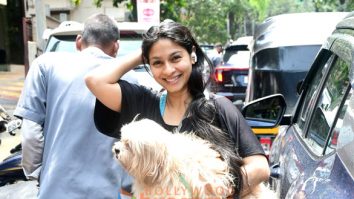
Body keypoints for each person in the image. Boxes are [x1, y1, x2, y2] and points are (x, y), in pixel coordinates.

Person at [85, 21, 270, 198]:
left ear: (192, 55)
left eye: (175, 58)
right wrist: (147, 48)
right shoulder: (144, 104)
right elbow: (95, 81)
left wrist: (213, 192)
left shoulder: (218, 108)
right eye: (157, 63)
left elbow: (260, 167)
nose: (168, 70)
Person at [14, 13, 136, 199]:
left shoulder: (45, 65)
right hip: (110, 193)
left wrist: (42, 174)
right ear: (116, 47)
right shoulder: (131, 78)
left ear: (79, 41)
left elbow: (31, 133)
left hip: (56, 191)